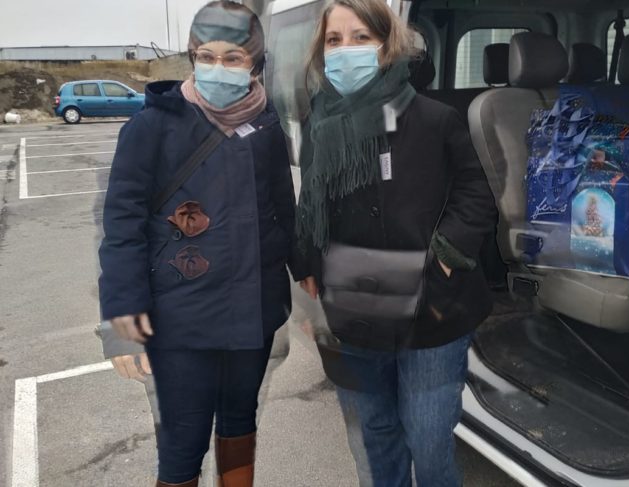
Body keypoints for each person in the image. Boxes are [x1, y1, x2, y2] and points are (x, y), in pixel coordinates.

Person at [291, 1, 498, 486]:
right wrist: (306, 265)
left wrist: (446, 255)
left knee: (428, 439)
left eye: (361, 37)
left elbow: (475, 192)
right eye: (334, 40)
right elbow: (310, 201)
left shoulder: (434, 118)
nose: (346, 50)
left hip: (431, 308)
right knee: (375, 434)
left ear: (387, 45)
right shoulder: (319, 122)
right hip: (352, 305)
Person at [98, 2, 295, 485]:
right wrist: (121, 322)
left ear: (255, 63)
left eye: (233, 57)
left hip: (253, 313)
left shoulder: (266, 124)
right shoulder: (150, 128)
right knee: (182, 443)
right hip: (181, 322)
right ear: (192, 57)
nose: (218, 68)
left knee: (240, 423)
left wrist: (304, 268)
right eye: (206, 56)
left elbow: (283, 209)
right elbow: (122, 229)